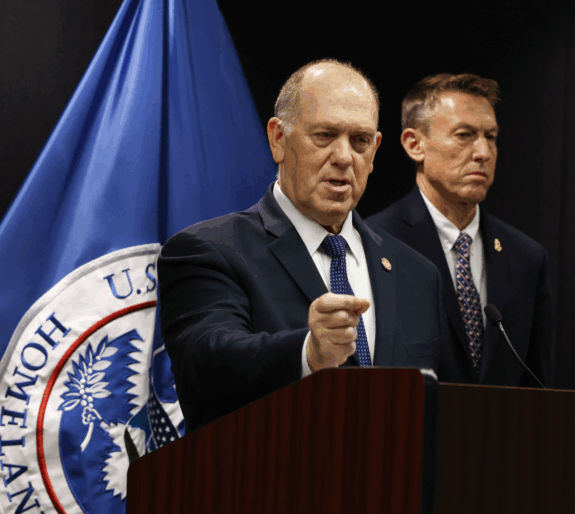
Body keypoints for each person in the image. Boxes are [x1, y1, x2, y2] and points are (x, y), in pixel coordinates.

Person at [158, 60, 457, 432]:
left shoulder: (417, 274)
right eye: (325, 135)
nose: (344, 157)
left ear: (375, 151)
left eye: (360, 141)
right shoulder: (208, 251)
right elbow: (207, 362)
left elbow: (443, 408)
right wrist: (309, 353)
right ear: (278, 139)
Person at [366, 74, 553, 387]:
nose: (483, 152)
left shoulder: (527, 258)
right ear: (414, 144)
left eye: (490, 136)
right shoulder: (373, 242)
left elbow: (539, 389)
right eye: (465, 135)